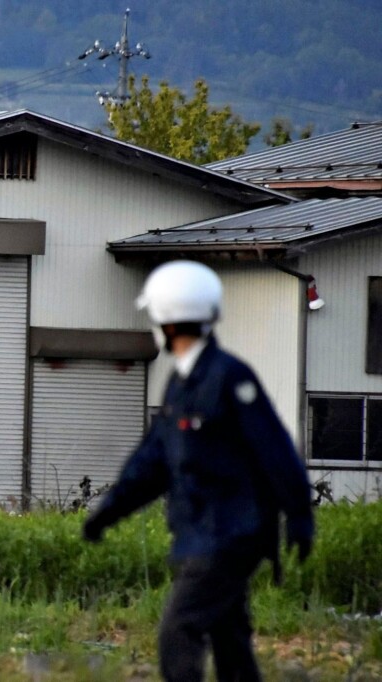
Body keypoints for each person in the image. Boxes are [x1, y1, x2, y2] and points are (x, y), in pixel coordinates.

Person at [82, 260, 314, 682]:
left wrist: (300, 516)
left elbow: (275, 450)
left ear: (168, 323)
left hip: (231, 533)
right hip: (200, 531)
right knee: (229, 641)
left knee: (180, 627)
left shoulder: (228, 377)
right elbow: (151, 463)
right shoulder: (181, 383)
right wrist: (108, 513)